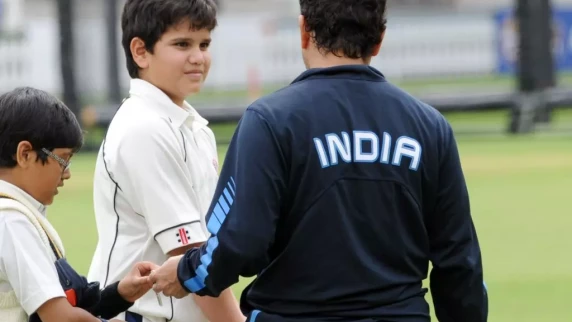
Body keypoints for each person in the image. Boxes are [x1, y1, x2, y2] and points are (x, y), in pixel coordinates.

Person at [149, 0, 489, 321]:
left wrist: (185, 272)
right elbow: (459, 262)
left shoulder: (269, 121)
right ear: (379, 39)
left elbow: (241, 241)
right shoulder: (429, 127)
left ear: (304, 30)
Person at [86, 0, 244, 322]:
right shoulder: (145, 128)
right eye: (182, 44)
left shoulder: (188, 125)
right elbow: (189, 256)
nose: (198, 57)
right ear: (140, 51)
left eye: (204, 44)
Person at [0, 87, 157, 322]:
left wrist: (120, 293)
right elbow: (58, 317)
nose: (67, 174)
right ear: (25, 155)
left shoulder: (22, 215)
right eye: (63, 160)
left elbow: (67, 299)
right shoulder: (12, 221)